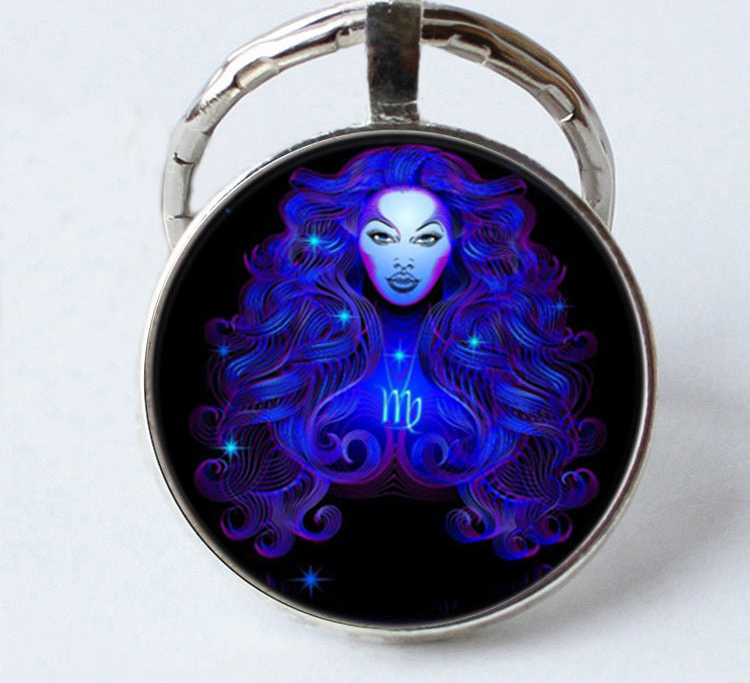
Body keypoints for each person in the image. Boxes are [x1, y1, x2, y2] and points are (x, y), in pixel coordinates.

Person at [192, 145, 603, 560]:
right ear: (351, 241)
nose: (404, 259)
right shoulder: (306, 352)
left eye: (426, 239)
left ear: (457, 246)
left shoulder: (492, 356)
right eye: (382, 237)